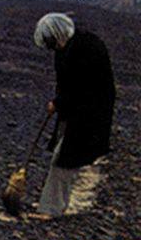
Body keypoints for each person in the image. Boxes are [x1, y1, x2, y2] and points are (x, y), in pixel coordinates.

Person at [31, 12, 115, 218]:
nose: (51, 47)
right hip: (74, 111)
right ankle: (54, 203)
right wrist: (59, 103)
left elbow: (82, 87)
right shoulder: (67, 48)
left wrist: (58, 103)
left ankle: (51, 208)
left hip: (88, 114)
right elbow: (67, 84)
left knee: (64, 159)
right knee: (63, 151)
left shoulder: (87, 49)